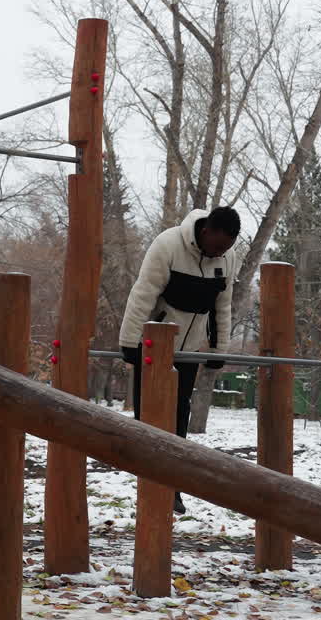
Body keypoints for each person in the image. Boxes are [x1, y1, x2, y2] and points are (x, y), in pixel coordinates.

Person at [119, 206, 240, 514]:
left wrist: (218, 349)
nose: (219, 252)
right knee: (148, 414)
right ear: (206, 231)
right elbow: (143, 293)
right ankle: (149, 483)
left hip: (189, 349)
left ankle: (172, 486)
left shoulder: (227, 258)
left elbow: (221, 307)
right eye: (217, 246)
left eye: (226, 248)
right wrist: (130, 342)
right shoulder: (168, 244)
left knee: (179, 413)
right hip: (155, 343)